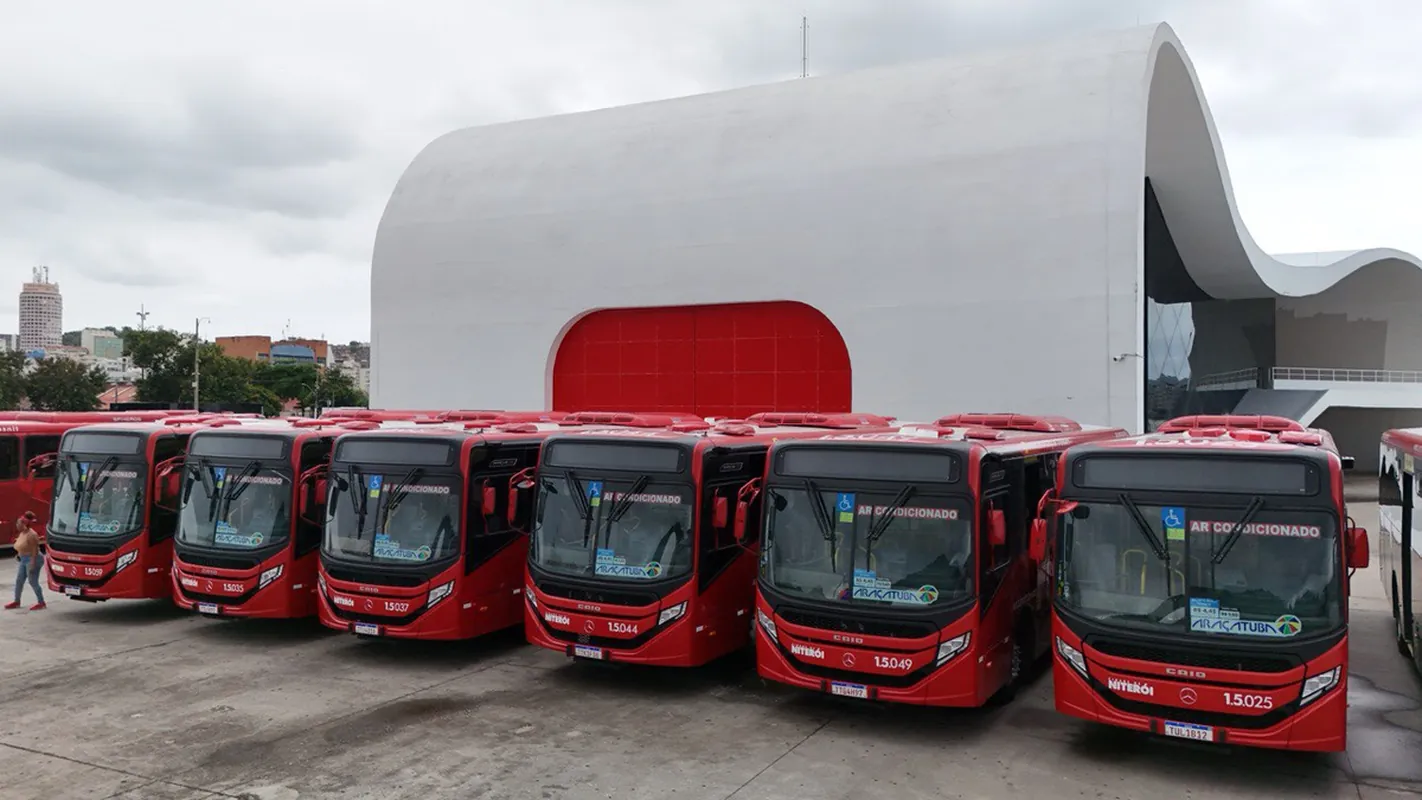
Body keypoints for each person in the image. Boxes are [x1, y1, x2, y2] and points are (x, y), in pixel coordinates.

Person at [6, 511, 46, 610]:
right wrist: (19, 555)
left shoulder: (31, 535)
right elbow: (22, 546)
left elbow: (34, 550)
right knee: (19, 580)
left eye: (18, 523)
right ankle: (16, 601)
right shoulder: (22, 533)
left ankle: (41, 602)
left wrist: (32, 564)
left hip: (32, 559)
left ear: (24, 524)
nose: (16, 525)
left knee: (33, 581)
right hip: (24, 559)